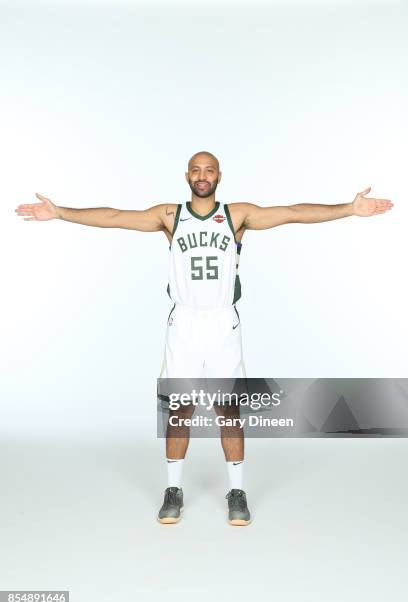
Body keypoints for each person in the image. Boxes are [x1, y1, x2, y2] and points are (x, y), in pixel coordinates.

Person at [15, 150, 394, 526]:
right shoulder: (170, 216)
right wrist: (62, 212)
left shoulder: (236, 215)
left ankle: (237, 491)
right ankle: (173, 490)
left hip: (222, 324)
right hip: (183, 324)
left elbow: (293, 212)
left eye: (208, 170)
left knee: (228, 408)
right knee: (180, 408)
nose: (202, 175)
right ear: (186, 177)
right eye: (196, 170)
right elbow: (115, 218)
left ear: (218, 176)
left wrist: (348, 208)